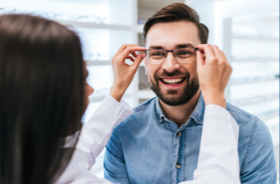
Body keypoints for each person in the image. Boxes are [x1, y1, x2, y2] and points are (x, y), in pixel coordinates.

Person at [0, 13, 241, 184]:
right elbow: (218, 179)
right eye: (81, 80)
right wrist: (216, 97)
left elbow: (74, 155)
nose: (90, 90)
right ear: (44, 96)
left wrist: (117, 89)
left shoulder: (24, 161)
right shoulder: (125, 133)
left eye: (183, 52)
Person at [104, 3, 277, 184]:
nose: (170, 66)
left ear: (205, 58)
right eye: (157, 53)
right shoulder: (121, 131)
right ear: (145, 63)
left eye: (184, 52)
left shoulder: (251, 133)